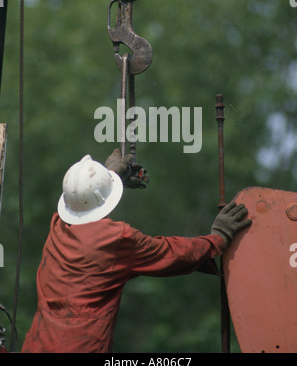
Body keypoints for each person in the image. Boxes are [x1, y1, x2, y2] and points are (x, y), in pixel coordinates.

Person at [21, 149, 251, 353]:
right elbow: (170, 254)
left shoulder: (56, 228)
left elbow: (83, 203)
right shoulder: (116, 239)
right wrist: (217, 239)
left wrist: (111, 175)